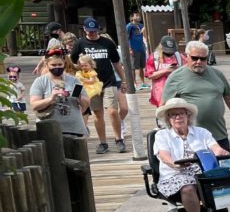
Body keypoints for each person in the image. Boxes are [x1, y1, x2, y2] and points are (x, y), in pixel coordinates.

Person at [153, 98, 230, 212]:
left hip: (202, 173)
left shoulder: (202, 132)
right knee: (188, 187)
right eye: (173, 114)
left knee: (224, 180)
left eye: (181, 113)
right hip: (174, 175)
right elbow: (164, 156)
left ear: (188, 115)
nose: (178, 117)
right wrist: (175, 164)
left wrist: (221, 152)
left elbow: (215, 147)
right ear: (168, 118)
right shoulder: (162, 135)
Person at [162, 40, 230, 152]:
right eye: (194, 58)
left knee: (223, 163)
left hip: (218, 136)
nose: (199, 62)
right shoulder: (175, 77)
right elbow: (164, 107)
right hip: (191, 139)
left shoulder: (217, 74)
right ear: (186, 57)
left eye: (203, 59)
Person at [72, 17, 127, 154]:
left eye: (94, 31)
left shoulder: (107, 43)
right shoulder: (79, 43)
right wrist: (80, 71)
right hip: (91, 85)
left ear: (98, 30)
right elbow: (72, 63)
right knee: (97, 113)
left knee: (113, 111)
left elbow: (116, 63)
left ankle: (119, 139)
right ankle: (103, 143)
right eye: (89, 31)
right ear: (84, 30)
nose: (91, 33)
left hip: (108, 81)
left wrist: (124, 80)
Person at [28, 49, 87, 138]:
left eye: (60, 64)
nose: (57, 67)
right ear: (47, 65)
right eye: (53, 65)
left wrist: (80, 98)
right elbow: (34, 105)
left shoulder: (74, 80)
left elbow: (85, 106)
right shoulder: (40, 81)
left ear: (64, 64)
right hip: (49, 130)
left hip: (74, 129)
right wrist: (50, 99)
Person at [144, 35, 182, 109]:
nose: (169, 54)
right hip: (160, 93)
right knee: (163, 111)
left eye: (171, 52)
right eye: (167, 52)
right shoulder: (154, 57)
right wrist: (166, 70)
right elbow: (150, 75)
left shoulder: (179, 56)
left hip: (177, 90)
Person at [126, 11, 148, 89]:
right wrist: (129, 48)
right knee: (134, 67)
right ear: (132, 17)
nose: (138, 17)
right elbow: (126, 38)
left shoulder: (141, 25)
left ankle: (143, 83)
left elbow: (144, 34)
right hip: (133, 48)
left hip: (141, 48)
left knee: (142, 66)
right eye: (136, 15)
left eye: (139, 15)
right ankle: (134, 84)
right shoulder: (129, 26)